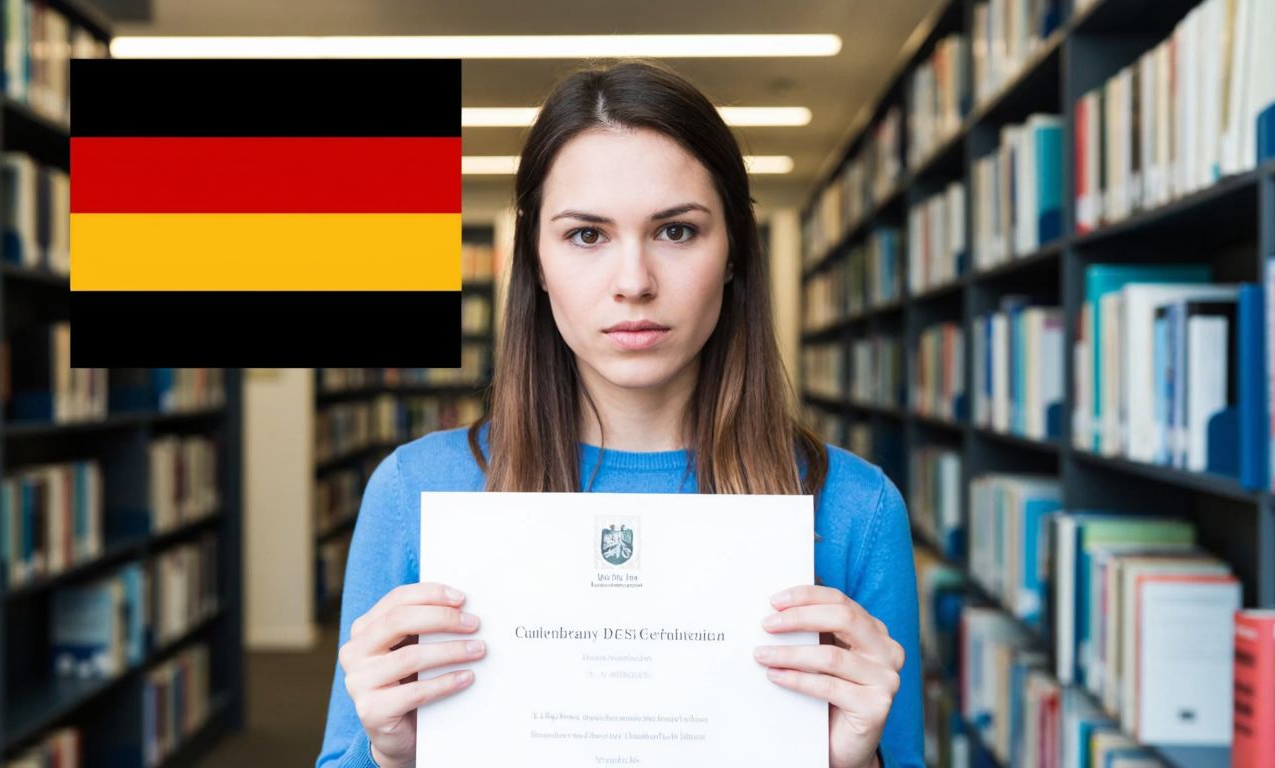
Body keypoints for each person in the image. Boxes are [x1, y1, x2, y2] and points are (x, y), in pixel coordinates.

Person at [315, 59, 923, 768]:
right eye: (586, 236)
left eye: (676, 232)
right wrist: (391, 755)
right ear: (536, 263)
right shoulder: (413, 491)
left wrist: (855, 761)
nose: (633, 283)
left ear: (732, 253)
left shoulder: (855, 508)